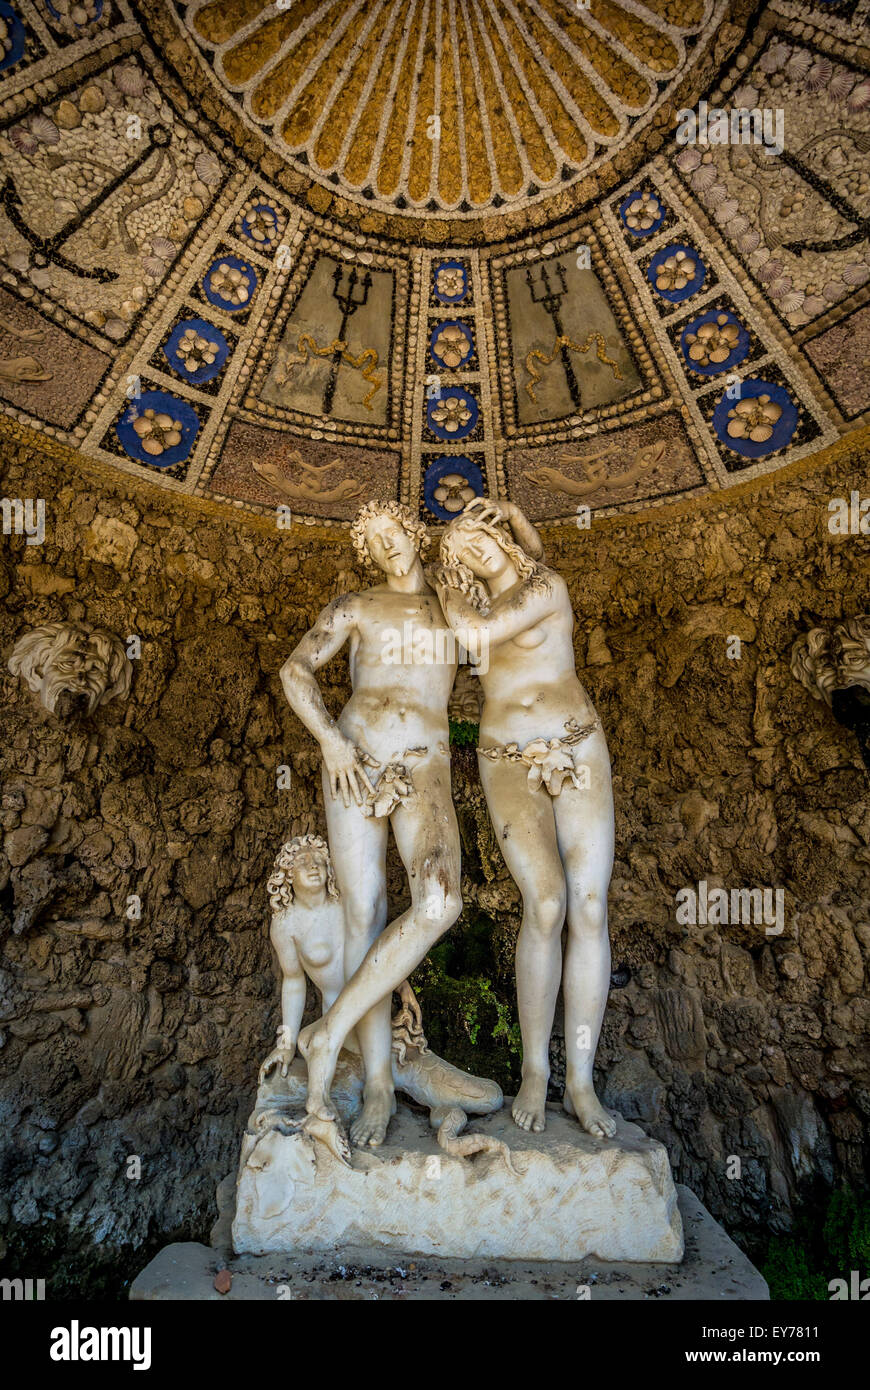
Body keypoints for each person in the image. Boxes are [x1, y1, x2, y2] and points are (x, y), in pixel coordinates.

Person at [281, 501, 462, 1156]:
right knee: (364, 912)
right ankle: (380, 1082)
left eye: (394, 535)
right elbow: (295, 669)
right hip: (355, 757)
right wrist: (330, 741)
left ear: (415, 533)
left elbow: (526, 592)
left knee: (440, 901)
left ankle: (330, 1032)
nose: (387, 548)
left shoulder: (457, 606)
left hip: (425, 761)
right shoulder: (355, 604)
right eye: (374, 542)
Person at [433, 497, 616, 1139]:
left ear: (502, 537)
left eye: (478, 535)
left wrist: (454, 576)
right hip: (506, 754)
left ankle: (582, 1082)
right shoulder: (474, 602)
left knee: (588, 906)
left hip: (576, 744)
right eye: (460, 550)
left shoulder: (545, 586)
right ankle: (536, 1070)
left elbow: (477, 634)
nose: (473, 548)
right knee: (545, 903)